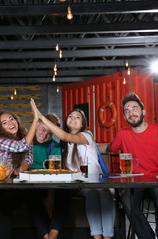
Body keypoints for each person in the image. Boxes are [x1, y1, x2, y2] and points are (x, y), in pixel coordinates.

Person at [31, 99, 115, 239]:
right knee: (92, 193)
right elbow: (66, 170)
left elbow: (63, 135)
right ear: (66, 121)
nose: (73, 118)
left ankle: (107, 237)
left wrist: (41, 117)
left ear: (82, 124)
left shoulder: (87, 135)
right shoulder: (63, 145)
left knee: (103, 191)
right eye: (70, 116)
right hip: (82, 186)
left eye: (78, 117)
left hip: (99, 183)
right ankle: (97, 236)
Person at [109, 92, 158, 239]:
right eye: (127, 111)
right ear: (124, 117)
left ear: (143, 111)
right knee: (125, 199)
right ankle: (147, 237)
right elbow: (108, 148)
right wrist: (86, 141)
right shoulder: (122, 134)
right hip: (137, 181)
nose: (131, 113)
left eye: (135, 109)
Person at [0, 106, 38, 239]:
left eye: (11, 119)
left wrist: (19, 170)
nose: (10, 123)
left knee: (6, 204)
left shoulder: (27, 136)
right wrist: (35, 120)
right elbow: (21, 146)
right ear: (0, 128)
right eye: (5, 122)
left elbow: (28, 159)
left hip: (15, 186)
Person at [26, 113, 69, 239]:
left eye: (50, 133)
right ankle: (46, 236)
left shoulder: (53, 146)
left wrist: (51, 195)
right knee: (29, 194)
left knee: (64, 192)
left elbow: (55, 173)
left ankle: (53, 234)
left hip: (49, 183)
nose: (44, 135)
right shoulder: (26, 141)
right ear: (37, 124)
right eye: (43, 130)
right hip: (30, 184)